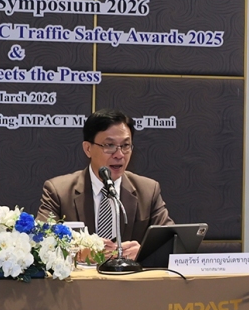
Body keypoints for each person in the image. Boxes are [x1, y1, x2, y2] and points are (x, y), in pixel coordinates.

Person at [38, 109, 172, 259]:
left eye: (126, 145)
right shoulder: (59, 192)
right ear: (88, 149)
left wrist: (144, 253)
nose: (119, 155)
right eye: (109, 145)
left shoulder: (148, 191)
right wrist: (78, 252)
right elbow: (41, 243)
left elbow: (172, 243)